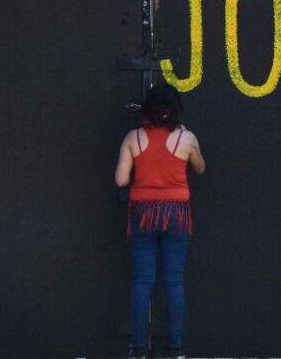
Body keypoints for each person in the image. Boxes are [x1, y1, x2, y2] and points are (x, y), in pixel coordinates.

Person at [115, 83, 206, 359]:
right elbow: (200, 168)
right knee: (174, 280)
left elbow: (120, 180)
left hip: (142, 212)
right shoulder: (186, 139)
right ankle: (175, 349)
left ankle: (138, 348)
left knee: (143, 280)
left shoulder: (133, 138)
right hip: (176, 213)